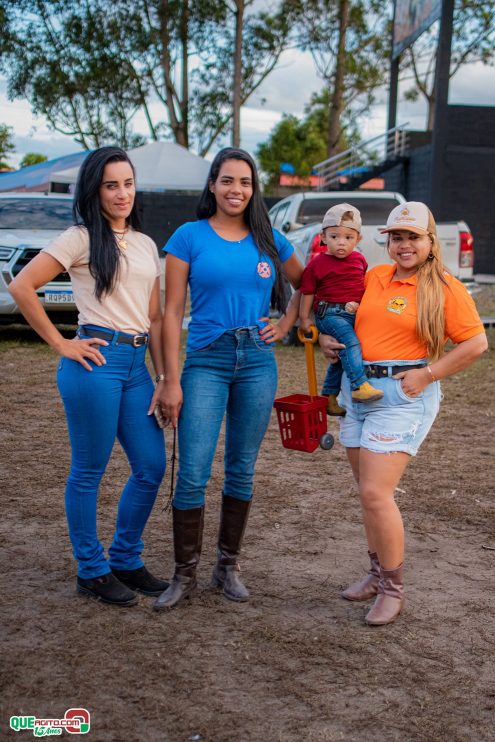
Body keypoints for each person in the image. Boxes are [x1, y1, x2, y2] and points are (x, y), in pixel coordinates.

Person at [8, 147, 168, 607]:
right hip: (94, 364)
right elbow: (21, 285)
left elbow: (155, 317)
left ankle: (125, 558)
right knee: (89, 471)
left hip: (138, 367)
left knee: (150, 466)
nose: (122, 194)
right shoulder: (79, 237)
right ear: (95, 190)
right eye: (111, 185)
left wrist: (162, 377)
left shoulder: (143, 243)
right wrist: (62, 343)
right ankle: (92, 569)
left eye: (128, 184)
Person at [319, 201, 487, 626]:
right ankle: (376, 574)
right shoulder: (374, 276)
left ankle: (393, 587)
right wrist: (326, 338)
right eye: (397, 237)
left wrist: (428, 374)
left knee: (377, 493)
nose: (404, 244)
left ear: (430, 241)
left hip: (403, 396)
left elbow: (476, 344)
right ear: (388, 242)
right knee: (367, 494)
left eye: (413, 236)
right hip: (358, 391)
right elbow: (344, 319)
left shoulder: (445, 287)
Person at [154, 147, 303, 610]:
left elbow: (310, 281)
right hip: (206, 360)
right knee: (193, 471)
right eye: (227, 181)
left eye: (245, 182)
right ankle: (184, 575)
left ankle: (227, 566)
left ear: (253, 188)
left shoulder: (268, 239)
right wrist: (170, 379)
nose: (236, 190)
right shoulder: (187, 237)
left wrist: (284, 325)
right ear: (213, 185)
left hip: (257, 360)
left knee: (242, 467)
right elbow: (172, 311)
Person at [299, 203, 383, 415]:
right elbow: (307, 292)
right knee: (350, 343)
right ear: (323, 237)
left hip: (352, 313)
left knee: (339, 357)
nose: (341, 243)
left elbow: (360, 285)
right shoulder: (317, 264)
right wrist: (304, 318)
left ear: (358, 239)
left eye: (348, 237)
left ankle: (329, 397)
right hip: (329, 314)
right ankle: (359, 385)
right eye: (334, 237)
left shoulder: (359, 260)